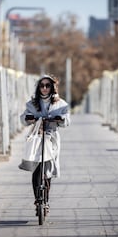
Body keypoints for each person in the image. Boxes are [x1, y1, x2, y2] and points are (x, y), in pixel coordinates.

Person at [19, 74, 70, 214]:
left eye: (48, 85)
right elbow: (23, 118)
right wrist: (29, 118)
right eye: (42, 86)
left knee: (47, 169)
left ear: (53, 87)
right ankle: (37, 199)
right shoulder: (32, 103)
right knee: (37, 168)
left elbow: (67, 120)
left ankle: (45, 201)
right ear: (38, 88)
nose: (45, 88)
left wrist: (60, 119)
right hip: (37, 137)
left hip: (51, 137)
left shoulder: (60, 103)